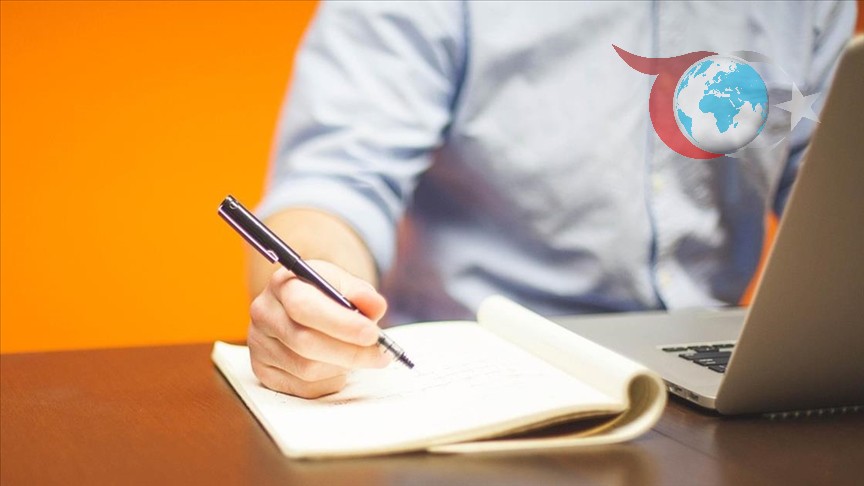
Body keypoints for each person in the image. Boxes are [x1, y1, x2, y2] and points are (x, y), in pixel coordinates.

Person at [245, 1, 857, 398]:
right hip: (479, 377)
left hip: (726, 379)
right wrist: (314, 293)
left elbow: (835, 190)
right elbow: (336, 181)